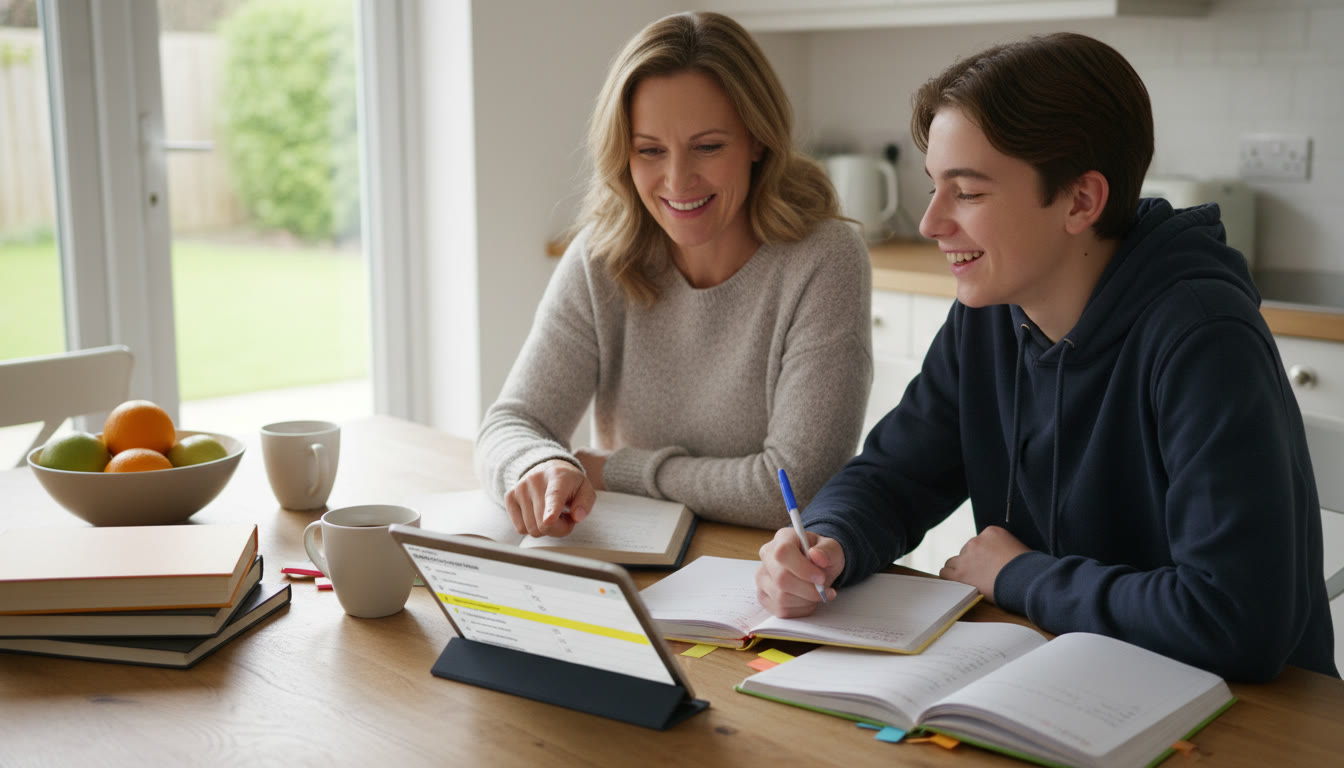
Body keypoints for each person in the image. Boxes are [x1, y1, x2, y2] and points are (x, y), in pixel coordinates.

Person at [755, 32, 1338, 682]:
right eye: (933, 188)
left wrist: (1017, 575)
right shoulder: (992, 313)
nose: (930, 224)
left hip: (1244, 719)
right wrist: (829, 542)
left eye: (968, 193)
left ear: (1081, 201)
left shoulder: (1203, 339)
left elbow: (1235, 622)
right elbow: (895, 476)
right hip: (1062, 678)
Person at [476, 11, 872, 538]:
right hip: (630, 568)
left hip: (767, 580)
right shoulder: (602, 255)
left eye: (707, 146)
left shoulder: (823, 258)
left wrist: (614, 470)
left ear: (757, 139)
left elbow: (793, 487)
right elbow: (510, 424)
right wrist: (537, 466)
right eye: (650, 151)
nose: (678, 180)